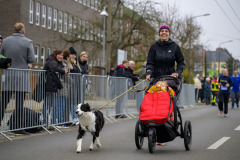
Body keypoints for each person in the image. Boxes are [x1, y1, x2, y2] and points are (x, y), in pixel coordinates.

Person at [146, 24, 185, 145]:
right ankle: (154, 123)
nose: (164, 33)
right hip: (156, 78)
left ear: (169, 33)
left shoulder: (174, 47)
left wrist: (177, 72)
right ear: (159, 33)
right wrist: (148, 72)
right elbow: (150, 62)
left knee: (168, 101)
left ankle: (169, 124)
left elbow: (181, 62)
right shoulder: (154, 47)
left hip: (170, 78)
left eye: (166, 31)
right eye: (162, 31)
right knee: (153, 100)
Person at [0, 23, 35, 134]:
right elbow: (32, 59)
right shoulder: (28, 42)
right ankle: (18, 127)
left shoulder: (5, 41)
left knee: (3, 102)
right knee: (19, 103)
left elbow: (1, 55)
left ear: (13, 30)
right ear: (23, 31)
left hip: (7, 75)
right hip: (21, 76)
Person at [42, 50, 69, 128]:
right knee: (48, 104)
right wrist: (63, 71)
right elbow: (54, 68)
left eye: (61, 55)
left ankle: (48, 123)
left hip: (52, 85)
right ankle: (45, 122)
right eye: (59, 55)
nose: (60, 56)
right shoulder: (51, 60)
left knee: (50, 104)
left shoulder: (57, 61)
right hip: (47, 85)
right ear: (55, 54)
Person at [68, 47, 81, 125]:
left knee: (75, 103)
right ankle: (74, 118)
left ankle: (75, 118)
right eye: (72, 54)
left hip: (76, 86)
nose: (73, 56)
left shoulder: (76, 64)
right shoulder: (69, 64)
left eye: (74, 55)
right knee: (72, 103)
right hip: (71, 86)